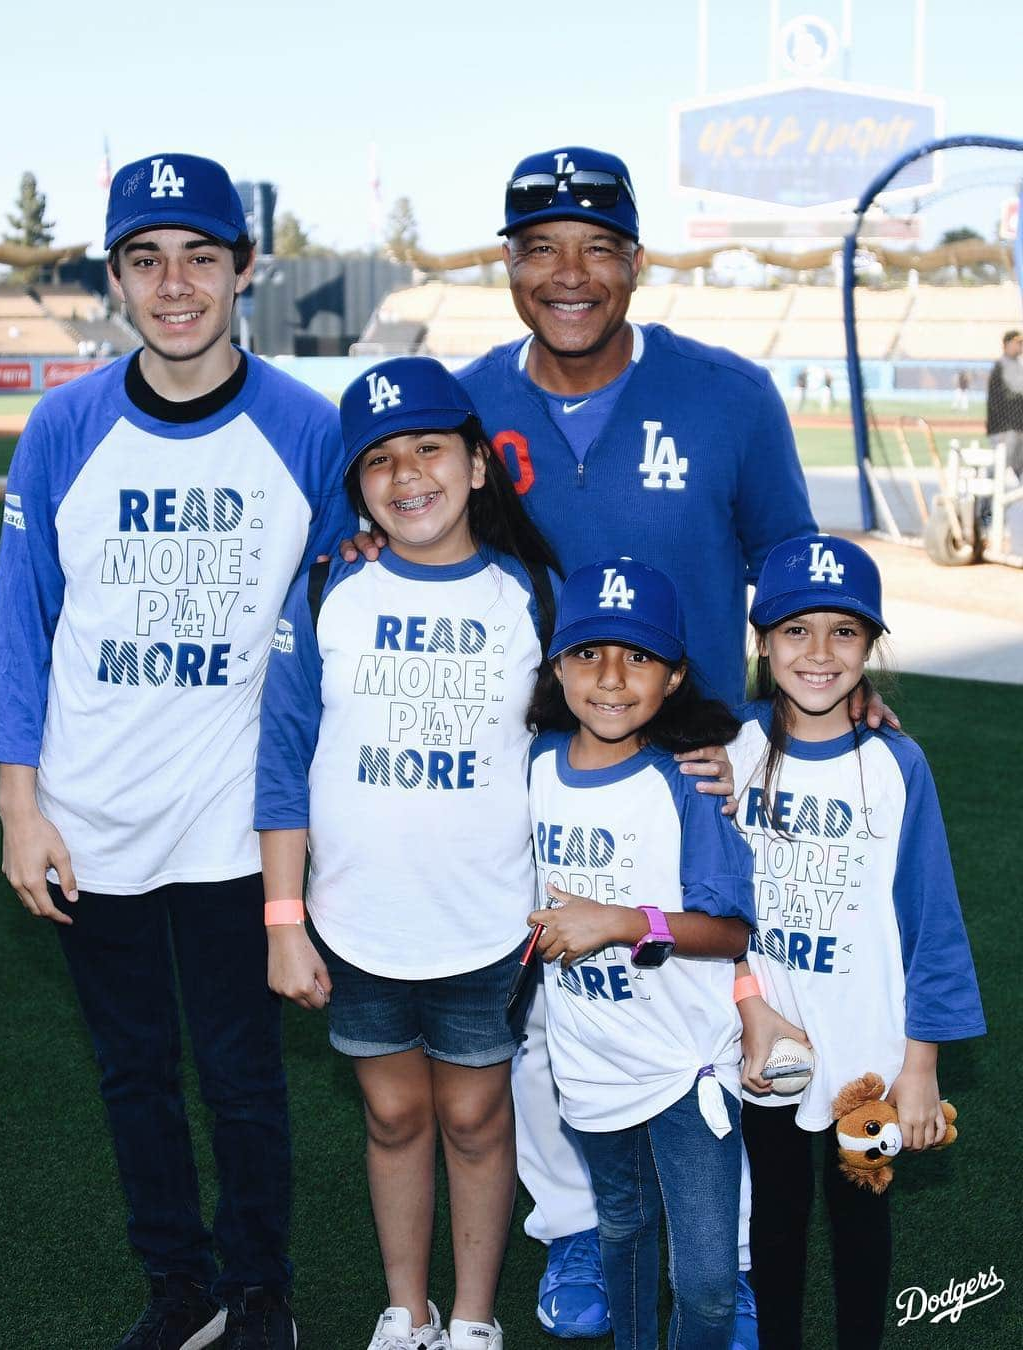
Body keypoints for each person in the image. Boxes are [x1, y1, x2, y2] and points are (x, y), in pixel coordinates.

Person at [0, 152, 353, 1350]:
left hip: (236, 826)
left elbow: (344, 619)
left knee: (244, 1080)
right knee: (134, 1076)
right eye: (147, 260)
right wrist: (18, 809)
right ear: (117, 279)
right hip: (93, 822)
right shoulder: (66, 425)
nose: (175, 283)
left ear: (246, 269)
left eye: (201, 256)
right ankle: (177, 1288)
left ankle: (261, 1292)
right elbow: (22, 623)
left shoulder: (307, 428)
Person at [458, 145, 817, 1341]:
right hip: (536, 764)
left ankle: (735, 1255)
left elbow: (788, 565)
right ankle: (573, 1233)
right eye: (542, 246)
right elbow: (401, 519)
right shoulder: (468, 403)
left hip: (694, 765)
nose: (571, 273)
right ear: (506, 263)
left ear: (636, 262)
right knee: (554, 995)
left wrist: (780, 725)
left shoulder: (729, 395)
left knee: (713, 999)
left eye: (598, 247)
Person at [255, 357, 562, 1350]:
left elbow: (585, 740)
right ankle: (408, 1309)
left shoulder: (534, 596)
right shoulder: (327, 588)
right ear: (358, 486)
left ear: (478, 465)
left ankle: (472, 1318)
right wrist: (285, 919)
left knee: (474, 1117)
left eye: (429, 448)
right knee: (392, 1116)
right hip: (354, 924)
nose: (406, 475)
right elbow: (282, 764)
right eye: (379, 460)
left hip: (486, 922)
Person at [729, 533, 986, 1348]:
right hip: (770, 1040)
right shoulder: (727, 751)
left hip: (871, 1056)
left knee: (860, 1219)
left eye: (844, 631)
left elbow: (930, 921)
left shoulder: (896, 764)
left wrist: (922, 1065)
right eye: (796, 630)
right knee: (773, 1214)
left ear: (871, 646)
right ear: (763, 642)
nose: (818, 653)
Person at [525, 558, 756, 1350]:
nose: (613, 678)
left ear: (675, 675)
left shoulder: (687, 780)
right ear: (557, 666)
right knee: (622, 1226)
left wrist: (621, 922)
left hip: (682, 1069)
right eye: (588, 653)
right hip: (589, 1061)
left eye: (640, 657)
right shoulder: (537, 766)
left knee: (709, 1286)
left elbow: (730, 932)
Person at [986, 329, 1023, 479]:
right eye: (1018, 343)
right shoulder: (1004, 365)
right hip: (1005, 430)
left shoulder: (1016, 365)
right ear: (1007, 344)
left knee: (1018, 466)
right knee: (1000, 465)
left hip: (1015, 428)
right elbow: (1018, 387)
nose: (1021, 346)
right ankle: (984, 500)